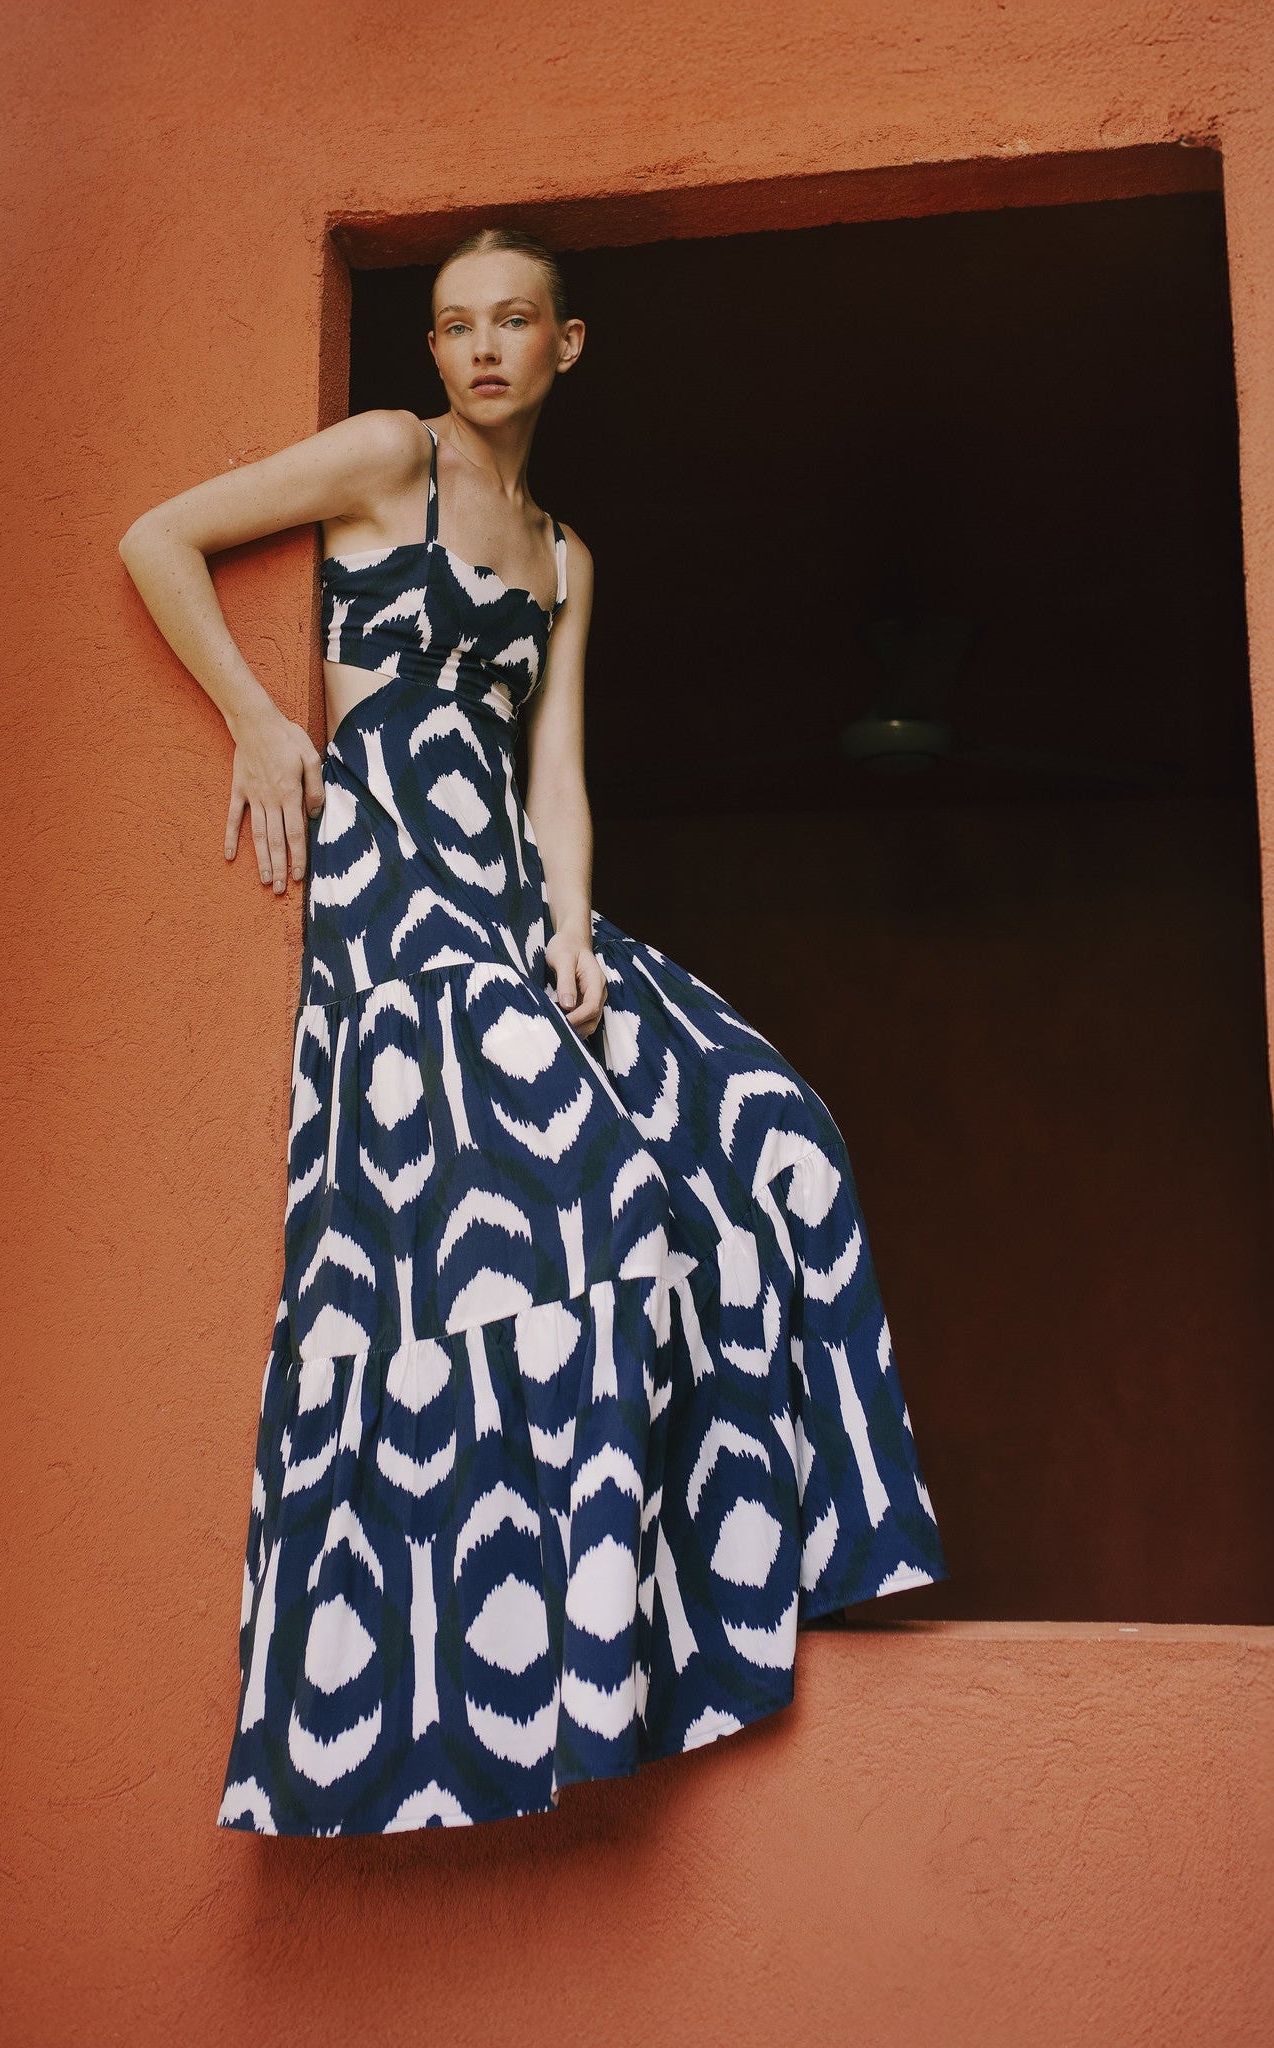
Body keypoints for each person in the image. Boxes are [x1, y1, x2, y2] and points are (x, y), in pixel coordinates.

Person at [118, 224, 950, 1838]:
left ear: (568, 346)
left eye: (512, 323)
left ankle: (760, 1569)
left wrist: (571, 927)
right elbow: (155, 538)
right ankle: (527, 1659)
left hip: (504, 905)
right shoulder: (382, 458)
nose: (479, 348)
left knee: (768, 1130)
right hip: (394, 925)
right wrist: (259, 717)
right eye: (451, 325)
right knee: (584, 1198)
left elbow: (553, 770)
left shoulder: (569, 556)